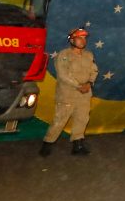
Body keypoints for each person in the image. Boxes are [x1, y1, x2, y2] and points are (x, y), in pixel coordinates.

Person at [42, 26, 98, 158]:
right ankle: (47, 144)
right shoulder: (64, 55)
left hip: (84, 94)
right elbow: (63, 75)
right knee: (60, 120)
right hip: (67, 94)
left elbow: (94, 70)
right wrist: (78, 86)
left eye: (84, 38)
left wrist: (89, 83)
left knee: (82, 119)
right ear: (72, 40)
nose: (83, 41)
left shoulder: (89, 55)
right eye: (79, 38)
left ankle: (78, 145)